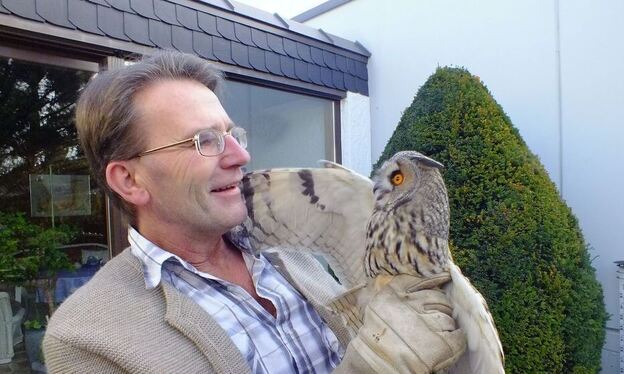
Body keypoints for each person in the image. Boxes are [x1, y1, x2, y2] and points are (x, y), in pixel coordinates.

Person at [43, 51, 466, 373]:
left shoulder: (290, 257)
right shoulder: (87, 338)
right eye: (204, 141)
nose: (241, 155)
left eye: (232, 134)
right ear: (129, 181)